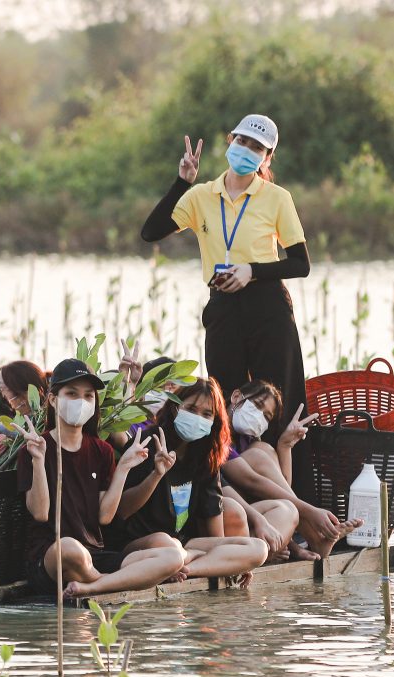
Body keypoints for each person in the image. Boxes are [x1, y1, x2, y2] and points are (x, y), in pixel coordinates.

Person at [140, 114, 316, 502]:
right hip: (222, 306)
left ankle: (295, 503)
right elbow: (151, 232)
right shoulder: (202, 195)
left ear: (267, 157)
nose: (247, 151)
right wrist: (181, 181)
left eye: (257, 148)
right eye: (243, 142)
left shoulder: (277, 198)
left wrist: (252, 271)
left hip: (268, 305)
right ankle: (228, 498)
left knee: (280, 405)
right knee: (224, 403)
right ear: (229, 141)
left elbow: (300, 264)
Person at [13, 358, 184, 598]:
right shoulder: (35, 448)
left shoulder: (102, 450)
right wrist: (39, 461)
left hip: (95, 555)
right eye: (71, 394)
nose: (80, 402)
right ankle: (114, 581)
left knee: (172, 555)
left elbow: (104, 516)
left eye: (88, 396)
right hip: (52, 557)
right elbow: (40, 513)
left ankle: (94, 586)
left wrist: (123, 467)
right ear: (53, 400)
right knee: (70, 549)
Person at [105, 378, 273, 579]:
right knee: (165, 543)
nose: (198, 418)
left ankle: (184, 569)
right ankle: (173, 564)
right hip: (139, 543)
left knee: (256, 548)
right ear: (176, 408)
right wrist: (156, 475)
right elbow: (122, 511)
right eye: (191, 409)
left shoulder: (206, 457)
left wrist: (230, 559)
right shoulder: (147, 443)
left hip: (184, 544)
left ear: (214, 421)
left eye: (207, 414)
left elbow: (215, 532)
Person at [221, 379, 362, 559]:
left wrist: (285, 445)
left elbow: (281, 488)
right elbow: (252, 481)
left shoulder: (245, 440)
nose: (258, 416)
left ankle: (305, 539)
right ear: (236, 396)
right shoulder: (217, 434)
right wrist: (311, 512)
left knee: (264, 450)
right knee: (259, 454)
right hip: (229, 514)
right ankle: (313, 536)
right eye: (257, 405)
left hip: (254, 513)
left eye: (266, 416)